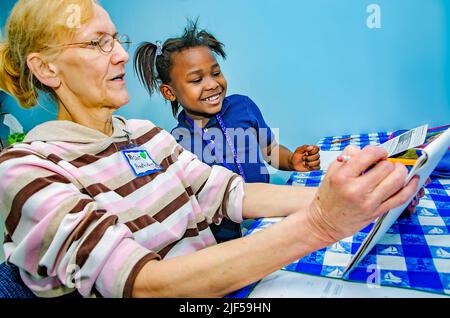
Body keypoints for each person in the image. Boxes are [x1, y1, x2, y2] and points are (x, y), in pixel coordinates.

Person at [0, 0, 419, 298]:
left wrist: (360, 199)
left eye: (117, 39)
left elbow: (230, 192)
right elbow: (142, 283)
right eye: (98, 44)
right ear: (46, 68)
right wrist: (321, 222)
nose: (122, 55)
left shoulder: (146, 134)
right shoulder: (24, 169)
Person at [133, 22, 321, 241]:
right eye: (196, 80)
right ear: (169, 92)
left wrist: (291, 160)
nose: (212, 84)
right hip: (223, 239)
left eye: (216, 73)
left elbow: (270, 149)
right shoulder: (176, 143)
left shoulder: (243, 107)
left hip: (269, 217)